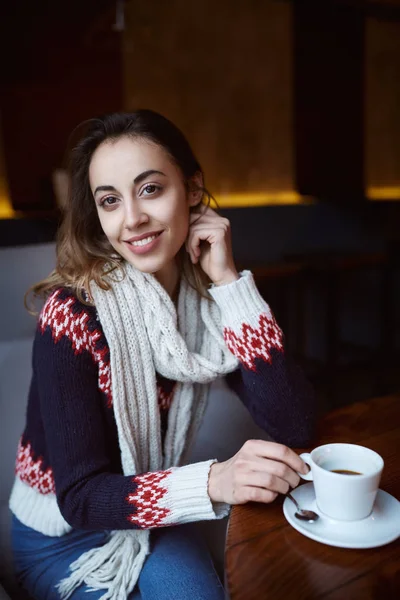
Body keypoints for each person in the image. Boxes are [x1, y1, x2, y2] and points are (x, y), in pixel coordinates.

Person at [9, 110, 315, 600]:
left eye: (150, 189)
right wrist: (215, 481)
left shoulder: (207, 301)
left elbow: (294, 423)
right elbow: (80, 499)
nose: (132, 219)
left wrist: (229, 284)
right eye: (110, 201)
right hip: (61, 537)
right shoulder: (72, 315)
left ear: (192, 189)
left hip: (153, 507)